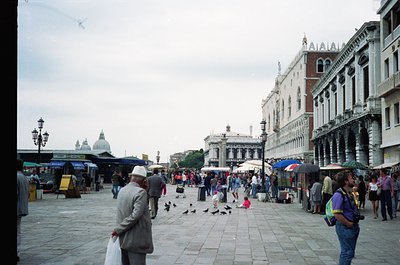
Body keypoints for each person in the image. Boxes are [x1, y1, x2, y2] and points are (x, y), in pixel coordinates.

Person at [112, 166, 153, 265]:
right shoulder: (140, 192)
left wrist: (119, 230)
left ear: (131, 177)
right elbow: (135, 215)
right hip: (136, 240)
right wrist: (118, 229)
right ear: (144, 181)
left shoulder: (122, 190)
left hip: (123, 239)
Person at [332, 170, 361, 265]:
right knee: (347, 253)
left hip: (352, 226)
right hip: (345, 227)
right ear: (345, 181)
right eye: (351, 178)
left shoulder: (348, 193)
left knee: (350, 252)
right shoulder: (338, 194)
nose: (353, 180)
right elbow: (337, 213)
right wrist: (348, 223)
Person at [17, 159, 29, 263]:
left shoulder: (16, 177)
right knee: (18, 231)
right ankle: (17, 251)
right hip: (22, 208)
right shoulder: (24, 177)